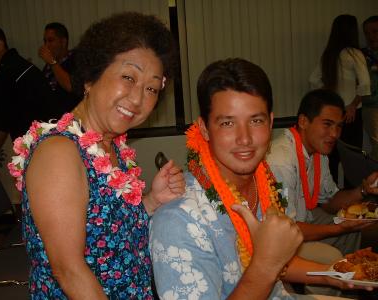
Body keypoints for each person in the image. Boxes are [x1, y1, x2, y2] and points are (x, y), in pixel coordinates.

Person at [150, 58, 364, 299]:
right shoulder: (177, 220)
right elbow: (269, 262)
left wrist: (337, 275)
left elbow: (279, 261)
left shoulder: (266, 185)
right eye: (228, 122)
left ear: (271, 123)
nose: (245, 138)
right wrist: (266, 265)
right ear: (204, 129)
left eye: (256, 121)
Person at [8, 12, 185, 298]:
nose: (139, 98)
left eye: (151, 88)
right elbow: (69, 271)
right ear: (91, 77)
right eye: (128, 77)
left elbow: (106, 231)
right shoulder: (59, 152)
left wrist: (152, 200)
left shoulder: (110, 145)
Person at [267, 89, 378, 258]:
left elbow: (329, 203)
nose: (334, 134)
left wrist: (363, 190)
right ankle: (327, 277)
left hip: (304, 218)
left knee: (352, 228)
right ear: (303, 121)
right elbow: (288, 229)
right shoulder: (282, 161)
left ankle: (345, 273)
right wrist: (338, 228)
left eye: (339, 126)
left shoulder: (319, 153)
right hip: (277, 237)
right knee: (339, 238)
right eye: (327, 124)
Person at [0, 24, 53, 175]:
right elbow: (2, 123)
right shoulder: (13, 65)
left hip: (46, 151)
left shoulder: (8, 70)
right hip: (47, 148)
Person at [309, 14, 370, 184]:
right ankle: (352, 196)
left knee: (332, 156)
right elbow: (365, 84)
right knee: (352, 157)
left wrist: (330, 95)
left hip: (332, 114)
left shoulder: (329, 54)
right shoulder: (354, 53)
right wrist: (352, 106)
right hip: (351, 114)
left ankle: (331, 195)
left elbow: (314, 80)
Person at [39, 22, 81, 116]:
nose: (46, 46)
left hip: (72, 120)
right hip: (51, 121)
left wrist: (52, 62)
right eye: (45, 41)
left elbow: (71, 86)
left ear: (63, 42)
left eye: (50, 40)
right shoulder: (48, 66)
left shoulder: (76, 59)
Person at [362, 16, 378, 161]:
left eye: (375, 32)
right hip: (371, 106)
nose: (371, 37)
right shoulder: (360, 55)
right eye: (367, 33)